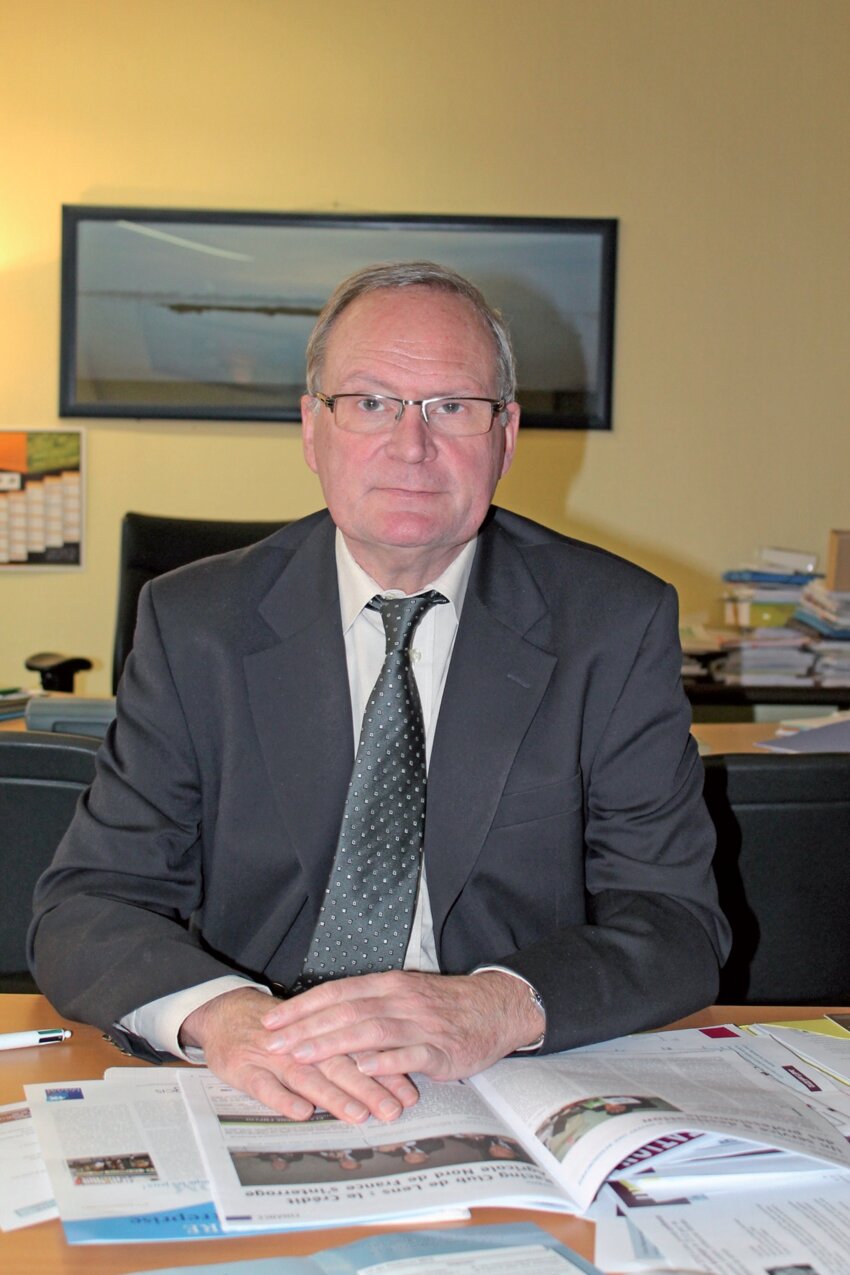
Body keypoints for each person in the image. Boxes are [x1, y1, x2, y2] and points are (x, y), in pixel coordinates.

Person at [30, 261, 729, 1128]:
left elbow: (675, 922)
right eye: (370, 402)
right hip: (258, 1075)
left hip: (501, 1081)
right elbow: (87, 903)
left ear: (506, 435)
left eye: (452, 406)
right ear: (312, 429)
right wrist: (227, 1019)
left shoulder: (611, 623)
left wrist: (494, 1006)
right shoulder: (194, 623)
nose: (411, 445)